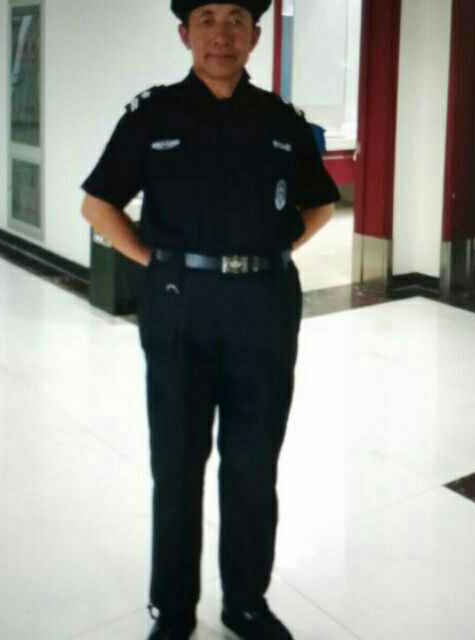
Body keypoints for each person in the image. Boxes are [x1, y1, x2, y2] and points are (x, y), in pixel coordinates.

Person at [80, 2, 340, 639]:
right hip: (180, 305)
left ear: (255, 35)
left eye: (235, 20)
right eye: (206, 20)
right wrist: (154, 259)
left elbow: (320, 206)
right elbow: (98, 203)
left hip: (264, 307)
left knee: (253, 462)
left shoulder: (281, 120)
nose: (221, 34)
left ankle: (246, 604)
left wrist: (268, 253)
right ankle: (172, 610)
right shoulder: (154, 114)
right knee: (176, 464)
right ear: (185, 34)